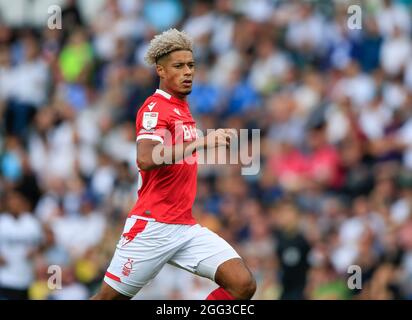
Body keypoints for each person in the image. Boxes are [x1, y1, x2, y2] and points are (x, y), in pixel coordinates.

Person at [91, 29, 256, 300]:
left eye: (191, 65)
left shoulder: (182, 107)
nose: (187, 71)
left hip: (184, 227)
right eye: (178, 66)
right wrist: (201, 143)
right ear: (161, 70)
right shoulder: (155, 108)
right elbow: (145, 158)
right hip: (152, 226)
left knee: (243, 284)